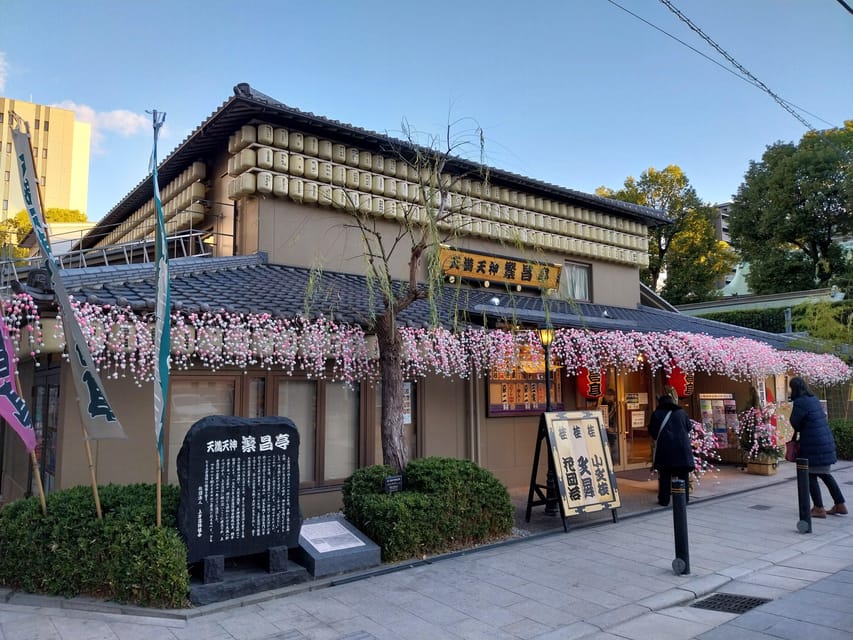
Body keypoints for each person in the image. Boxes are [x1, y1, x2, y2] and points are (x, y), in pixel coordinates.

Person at [789, 376, 847, 517]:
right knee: (825, 474)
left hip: (813, 445)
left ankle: (819, 508)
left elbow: (795, 422)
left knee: (810, 475)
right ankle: (840, 504)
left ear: (795, 389)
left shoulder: (800, 402)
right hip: (824, 442)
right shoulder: (813, 399)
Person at [649, 392, 694, 507]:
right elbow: (689, 428)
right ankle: (684, 499)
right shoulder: (681, 412)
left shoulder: (657, 414)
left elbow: (653, 432)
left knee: (664, 476)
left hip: (665, 450)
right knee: (683, 476)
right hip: (682, 449)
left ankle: (664, 500)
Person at [603, 387, 619, 463]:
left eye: (611, 395)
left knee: (614, 447)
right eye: (608, 395)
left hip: (612, 428)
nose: (610, 397)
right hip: (605, 428)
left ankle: (614, 463)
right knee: (606, 447)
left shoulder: (614, 405)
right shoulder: (602, 404)